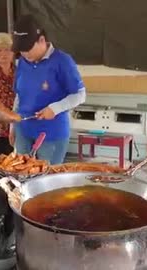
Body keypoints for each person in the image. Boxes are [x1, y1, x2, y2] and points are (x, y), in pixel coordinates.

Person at [11, 15, 86, 165]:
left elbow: (80, 95)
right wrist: (12, 125)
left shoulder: (62, 61)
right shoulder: (23, 62)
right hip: (23, 130)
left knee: (46, 181)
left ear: (42, 40)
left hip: (51, 134)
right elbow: (20, 95)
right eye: (21, 50)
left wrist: (55, 108)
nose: (25, 54)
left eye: (28, 49)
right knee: (21, 176)